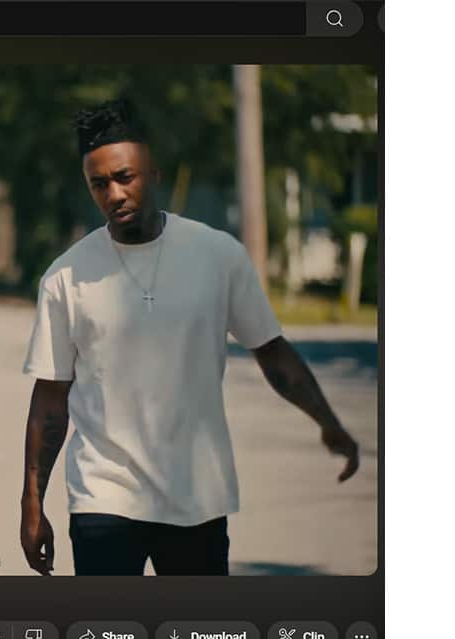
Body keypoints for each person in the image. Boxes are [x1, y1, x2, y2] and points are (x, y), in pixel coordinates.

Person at [19, 98, 359, 576]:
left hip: (197, 496)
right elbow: (51, 397)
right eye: (99, 184)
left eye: (125, 177)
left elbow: (272, 353)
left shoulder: (216, 255)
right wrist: (31, 503)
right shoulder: (65, 278)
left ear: (153, 173)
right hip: (104, 496)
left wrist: (328, 422)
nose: (113, 194)